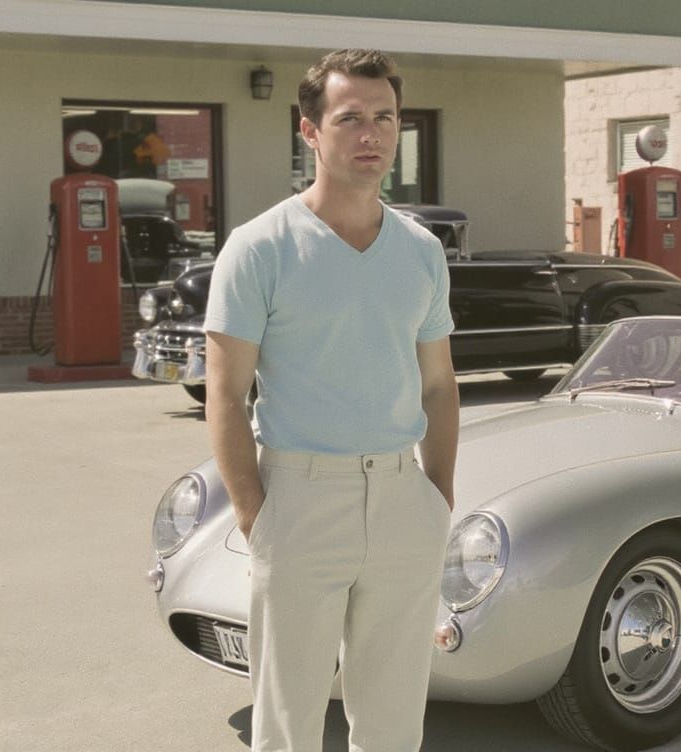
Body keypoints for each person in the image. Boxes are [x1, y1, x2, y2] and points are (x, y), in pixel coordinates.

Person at [202, 49, 458, 752]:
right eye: (350, 119)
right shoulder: (258, 249)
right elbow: (224, 396)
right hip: (300, 501)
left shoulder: (420, 251)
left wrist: (437, 498)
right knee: (287, 724)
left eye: (385, 117)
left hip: (404, 497)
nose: (371, 134)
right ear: (309, 131)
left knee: (394, 721)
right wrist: (260, 517)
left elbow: (438, 384)